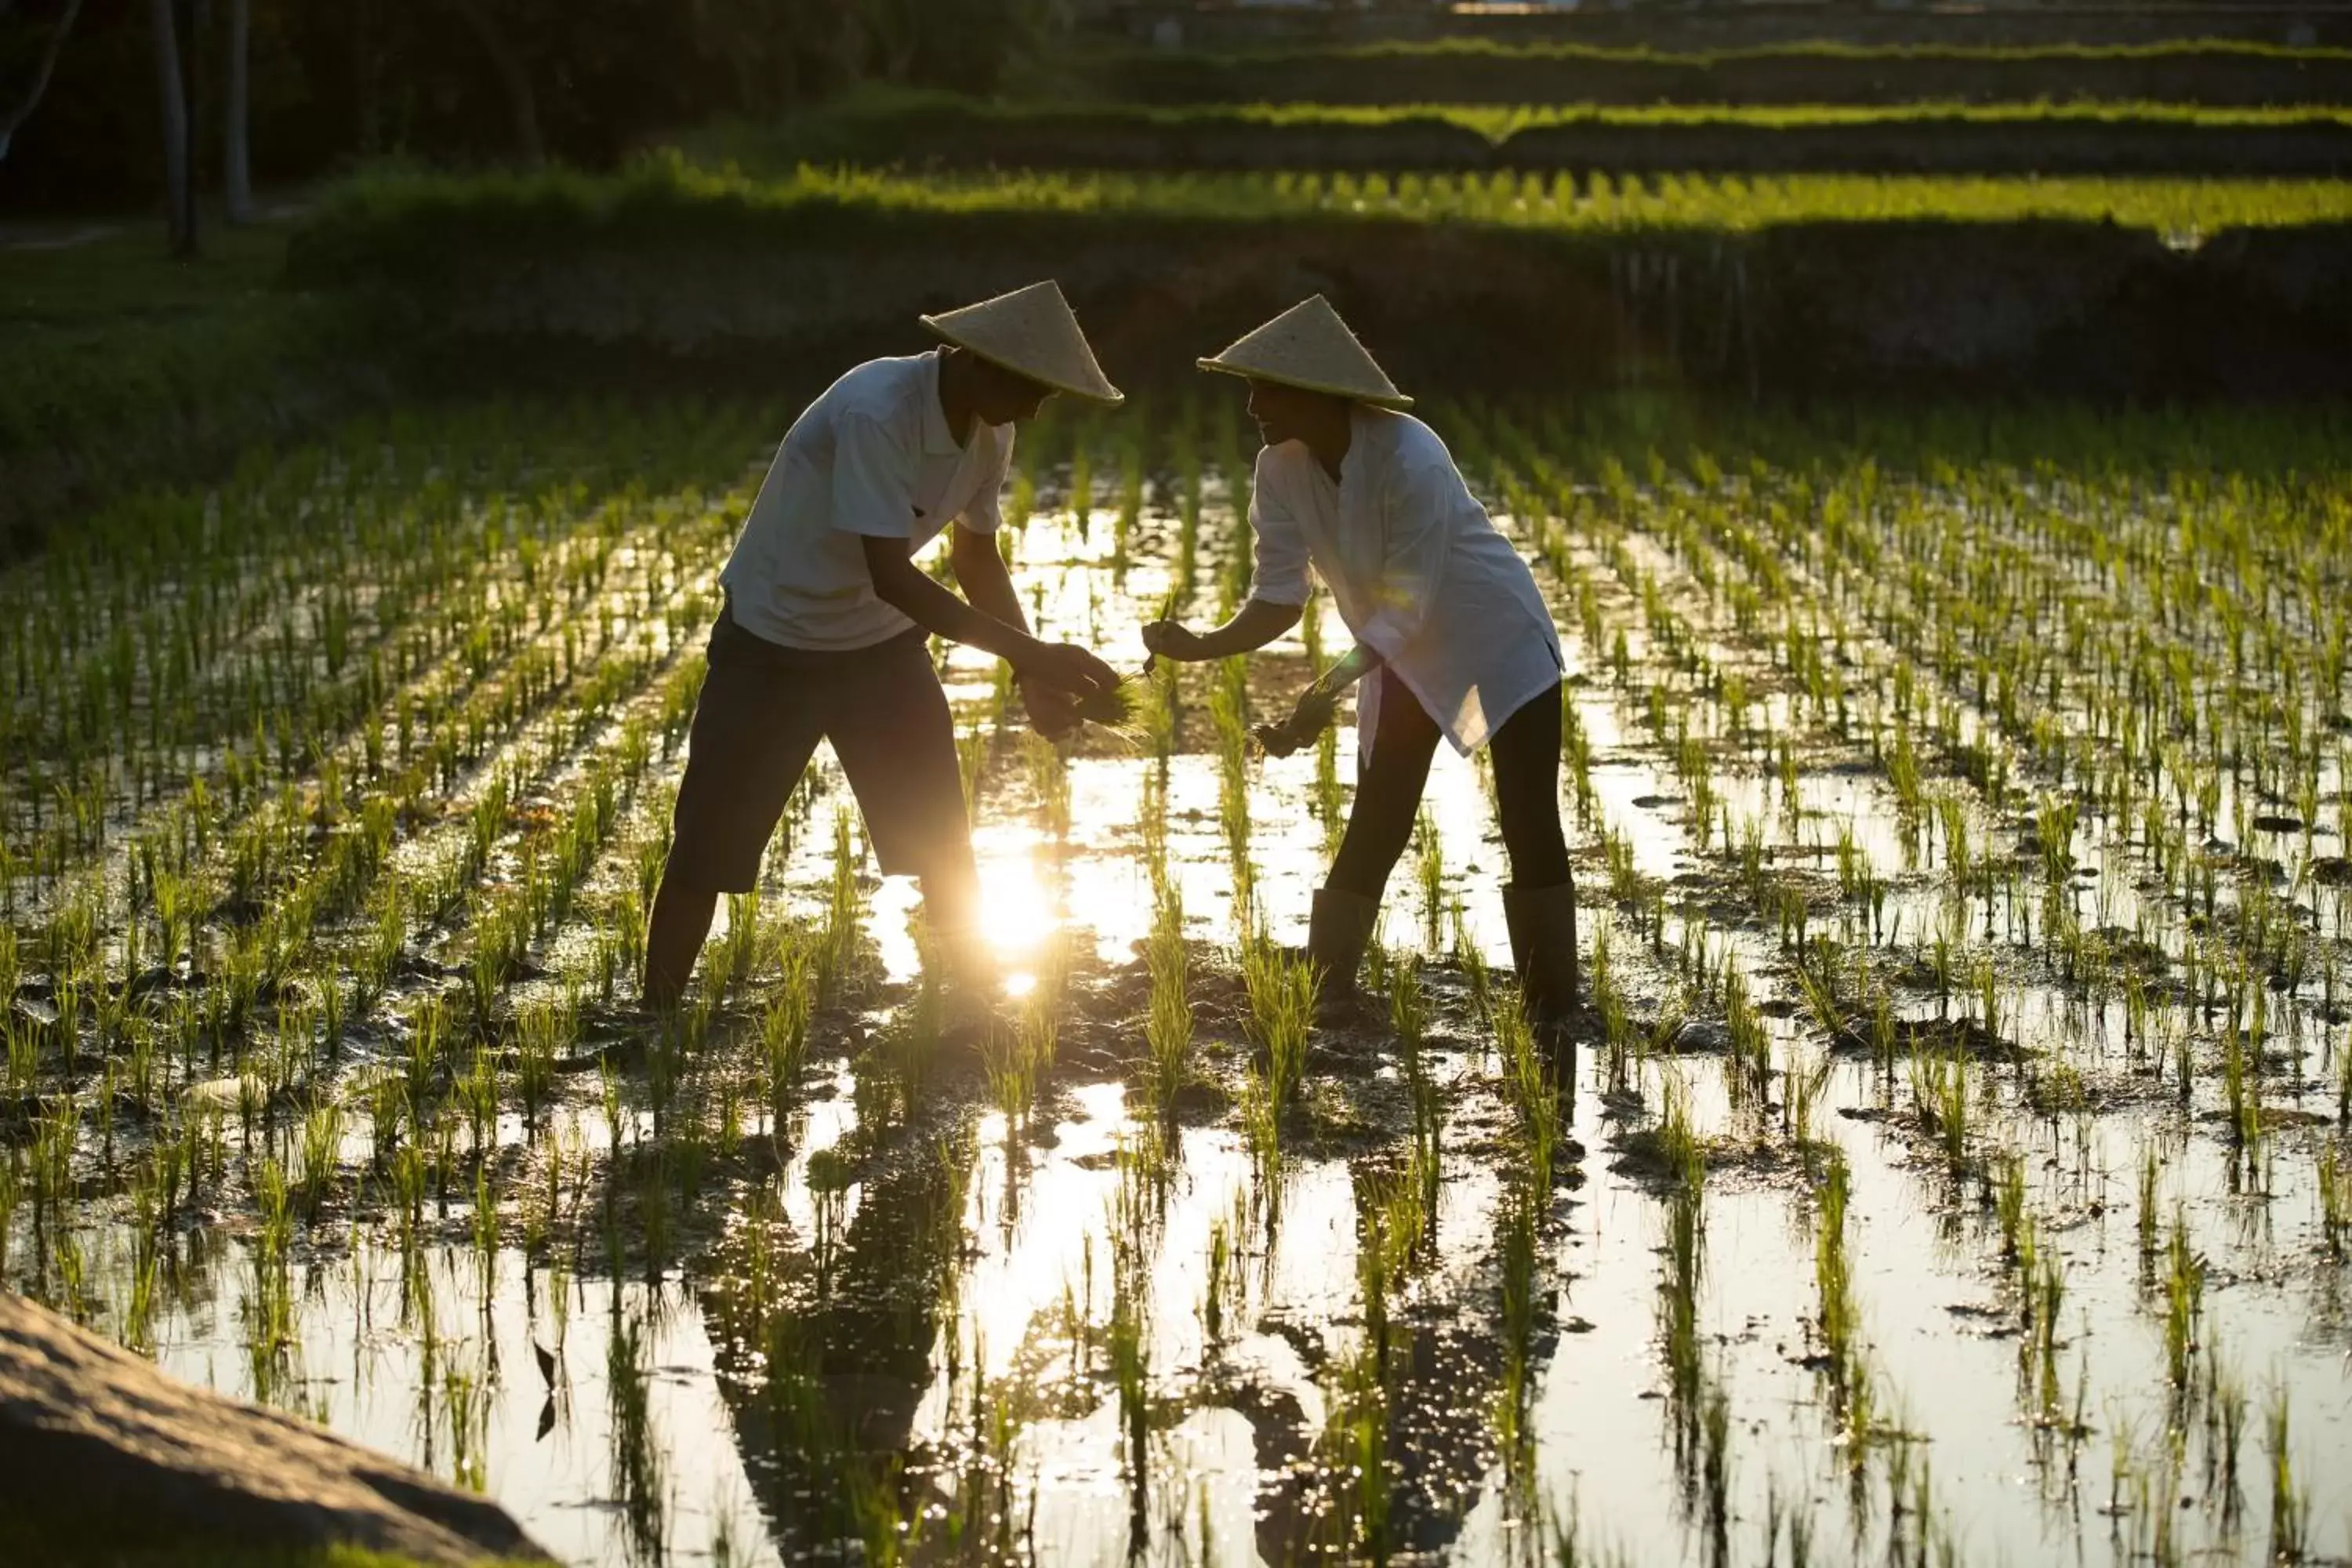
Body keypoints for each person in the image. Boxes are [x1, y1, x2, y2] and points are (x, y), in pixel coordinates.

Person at [643, 281, 1123, 1010]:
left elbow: (976, 559)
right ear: (969, 360)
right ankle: (655, 1015)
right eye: (1028, 388)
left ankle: (973, 1013)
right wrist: (1031, 655)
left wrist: (1033, 676)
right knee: (708, 847)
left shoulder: (992, 428)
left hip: (878, 650)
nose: (1033, 408)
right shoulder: (879, 410)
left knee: (943, 845)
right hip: (775, 641)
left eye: (1045, 397)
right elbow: (892, 574)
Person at [1141, 296, 1581, 1033]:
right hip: (1396, 651)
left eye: (1266, 389)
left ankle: (1556, 1008)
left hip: (1495, 636)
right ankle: (1327, 993)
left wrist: (1323, 692)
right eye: (1249, 388)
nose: (1252, 406)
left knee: (1528, 816)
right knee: (1378, 816)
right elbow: (1279, 595)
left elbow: (1406, 608)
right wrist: (1203, 644)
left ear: (1319, 393)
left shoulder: (1410, 455)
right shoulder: (1279, 469)